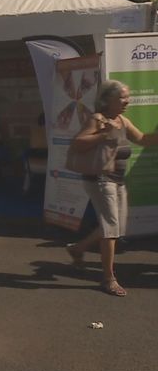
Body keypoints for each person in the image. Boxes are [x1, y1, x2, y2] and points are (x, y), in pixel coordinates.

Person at [66, 80, 158, 297]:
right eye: (123, 97)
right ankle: (108, 279)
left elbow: (143, 140)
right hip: (100, 179)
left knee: (116, 228)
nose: (128, 101)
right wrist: (103, 134)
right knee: (110, 229)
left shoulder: (122, 121)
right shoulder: (98, 119)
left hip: (117, 180)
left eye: (128, 96)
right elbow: (78, 143)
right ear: (107, 100)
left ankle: (77, 249)